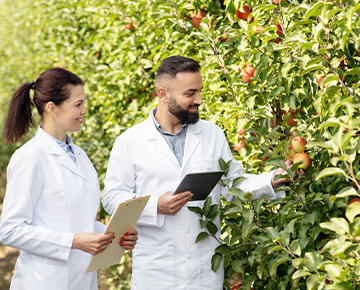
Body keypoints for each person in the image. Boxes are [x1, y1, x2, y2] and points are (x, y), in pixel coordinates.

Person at [102, 56, 290, 289]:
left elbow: (234, 185)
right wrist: (155, 206)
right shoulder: (129, 142)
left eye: (199, 91)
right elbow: (111, 197)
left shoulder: (212, 134)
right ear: (163, 95)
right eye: (190, 93)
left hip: (204, 270)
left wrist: (271, 180)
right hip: (156, 272)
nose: (199, 100)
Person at [0, 68, 138, 290]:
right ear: (52, 108)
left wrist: (112, 235)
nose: (84, 110)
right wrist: (74, 242)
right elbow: (10, 231)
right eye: (78, 104)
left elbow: (79, 220)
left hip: (83, 281)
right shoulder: (30, 158)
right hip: (43, 282)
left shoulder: (80, 157)